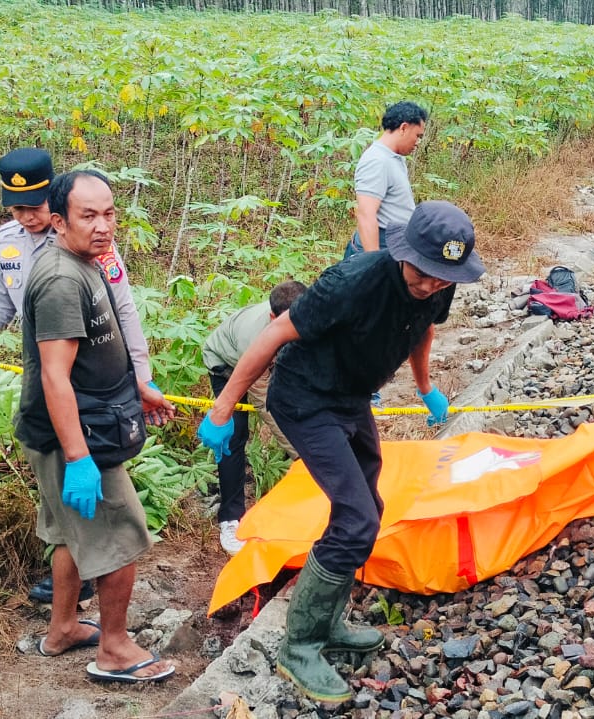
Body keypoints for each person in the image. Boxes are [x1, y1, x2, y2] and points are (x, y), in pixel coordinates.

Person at [198, 200, 483, 702]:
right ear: (403, 252)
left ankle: (327, 622)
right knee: (354, 518)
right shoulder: (354, 281)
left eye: (443, 276)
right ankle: (299, 646)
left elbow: (425, 327)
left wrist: (425, 387)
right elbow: (275, 332)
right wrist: (223, 409)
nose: (432, 283)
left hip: (351, 396)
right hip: (305, 398)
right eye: (425, 272)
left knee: (367, 508)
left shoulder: (440, 281)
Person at [0, 148, 170, 605]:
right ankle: (75, 595)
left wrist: (141, 377)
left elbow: (122, 311)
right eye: (17, 208)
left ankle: (80, 586)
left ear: (57, 211)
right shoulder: (7, 243)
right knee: (68, 498)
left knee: (93, 496)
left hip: (93, 388)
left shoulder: (92, 245)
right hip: (49, 379)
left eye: (36, 208)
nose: (27, 218)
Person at [13, 169, 175, 682]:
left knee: (69, 535)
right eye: (89, 215)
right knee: (122, 533)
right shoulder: (62, 279)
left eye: (109, 213)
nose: (103, 226)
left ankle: (62, 628)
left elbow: (95, 349)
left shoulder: (85, 263)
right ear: (59, 221)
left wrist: (137, 383)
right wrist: (80, 459)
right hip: (76, 436)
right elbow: (56, 378)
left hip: (75, 426)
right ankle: (115, 649)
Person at [201, 280, 309, 554]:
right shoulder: (254, 336)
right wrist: (301, 454)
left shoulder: (313, 312)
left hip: (275, 358)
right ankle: (230, 519)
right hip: (227, 365)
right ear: (274, 318)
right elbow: (267, 404)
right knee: (233, 436)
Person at [345, 101, 427, 259]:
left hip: (395, 245)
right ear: (403, 128)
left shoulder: (394, 157)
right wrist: (373, 264)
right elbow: (365, 214)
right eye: (417, 136)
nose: (418, 142)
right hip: (380, 246)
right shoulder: (377, 160)